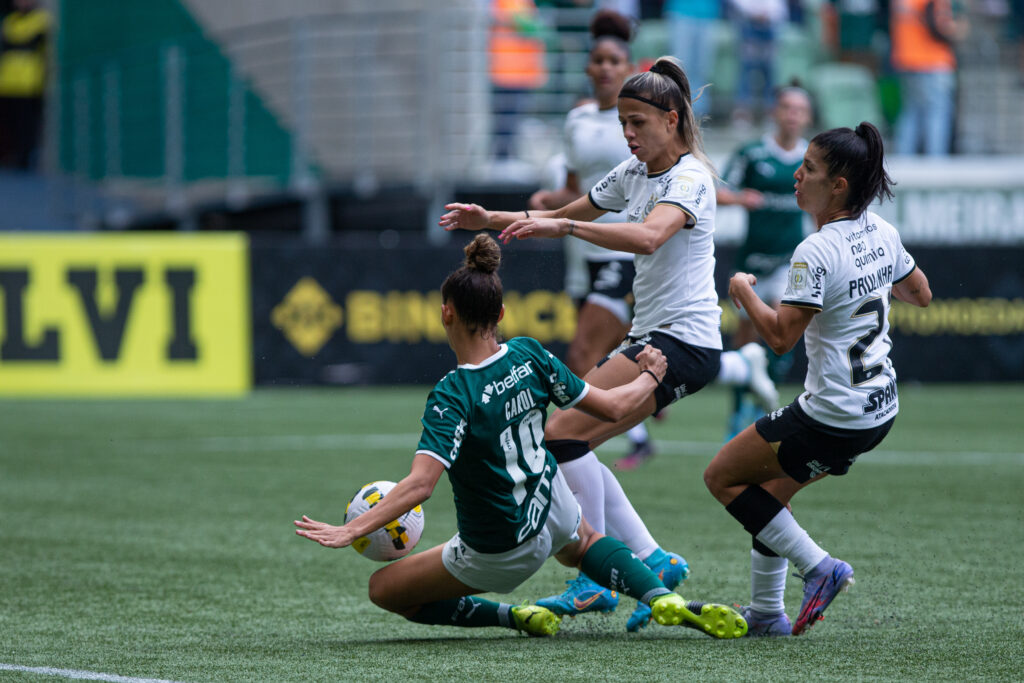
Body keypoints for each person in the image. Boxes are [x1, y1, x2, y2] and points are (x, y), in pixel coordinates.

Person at [439, 56, 774, 632]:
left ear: (672, 120)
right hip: (653, 337)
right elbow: (569, 211)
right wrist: (490, 217)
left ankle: (596, 581)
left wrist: (566, 228)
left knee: (560, 435)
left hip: (683, 343)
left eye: (638, 122)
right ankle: (650, 559)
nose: (628, 133)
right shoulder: (634, 172)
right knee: (573, 437)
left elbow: (646, 237)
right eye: (623, 122)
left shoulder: (691, 178)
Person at [294, 234, 748, 640]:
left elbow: (419, 486)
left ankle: (513, 616)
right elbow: (613, 407)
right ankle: (657, 596)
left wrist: (351, 528)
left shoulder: (453, 393)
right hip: (552, 507)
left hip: (498, 550)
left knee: (384, 590)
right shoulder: (529, 354)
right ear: (502, 314)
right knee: (585, 542)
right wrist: (650, 377)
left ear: (445, 313)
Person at [704, 122, 932, 637]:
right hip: (881, 408)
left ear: (838, 187)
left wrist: (742, 292)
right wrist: (867, 285)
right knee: (769, 495)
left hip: (834, 414)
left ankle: (820, 568)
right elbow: (921, 294)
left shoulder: (816, 250)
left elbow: (781, 339)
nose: (796, 175)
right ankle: (766, 613)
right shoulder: (884, 232)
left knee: (722, 476)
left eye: (808, 168)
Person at [528, 10, 657, 470]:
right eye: (597, 60)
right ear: (588, 67)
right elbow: (576, 190)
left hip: (620, 251)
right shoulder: (577, 119)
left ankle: (572, 451)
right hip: (581, 250)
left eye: (613, 60)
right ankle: (637, 433)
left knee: (583, 352)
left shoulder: (642, 120)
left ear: (629, 68)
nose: (604, 68)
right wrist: (548, 200)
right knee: (599, 357)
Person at [717, 85, 813, 439]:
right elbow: (715, 191)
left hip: (792, 262)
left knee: (781, 331)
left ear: (808, 116)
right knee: (746, 336)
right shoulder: (753, 153)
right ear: (776, 111)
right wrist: (741, 198)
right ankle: (739, 408)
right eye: (786, 107)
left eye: (799, 109)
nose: (792, 114)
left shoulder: (812, 158)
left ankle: (763, 409)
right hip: (752, 263)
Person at [891, 0, 969, 156]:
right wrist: (960, 28)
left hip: (907, 58)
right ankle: (936, 162)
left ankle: (904, 159)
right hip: (934, 60)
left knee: (911, 112)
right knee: (938, 113)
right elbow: (943, 26)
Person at [0, 0, 51, 170]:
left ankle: (24, 159)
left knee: (26, 123)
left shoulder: (41, 19)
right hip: (7, 81)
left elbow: (40, 47)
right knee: (9, 122)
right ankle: (10, 156)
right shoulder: (9, 20)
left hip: (30, 82)